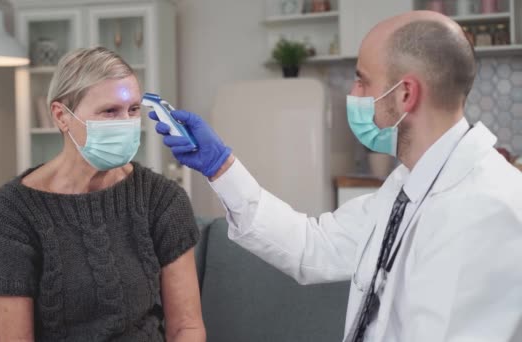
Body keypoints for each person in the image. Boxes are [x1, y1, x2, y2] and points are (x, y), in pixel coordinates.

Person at [150, 11, 522, 342]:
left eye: (362, 80)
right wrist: (220, 166)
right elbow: (312, 247)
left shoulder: (485, 208)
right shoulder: (410, 185)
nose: (352, 93)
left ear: (406, 93)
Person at [0, 47, 205, 341]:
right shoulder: (14, 211)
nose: (126, 123)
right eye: (110, 111)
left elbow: (186, 327)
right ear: (61, 116)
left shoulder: (161, 199)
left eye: (133, 109)